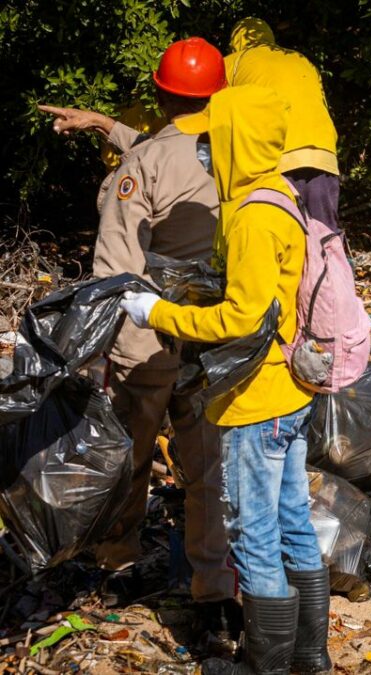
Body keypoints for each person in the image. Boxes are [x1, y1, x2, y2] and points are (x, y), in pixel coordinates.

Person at [120, 85, 330, 675]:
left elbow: (241, 317)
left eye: (214, 139)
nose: (206, 149)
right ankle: (311, 657)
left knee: (254, 531)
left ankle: (265, 666)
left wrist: (155, 313)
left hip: (255, 398)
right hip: (291, 389)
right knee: (292, 520)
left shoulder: (252, 218)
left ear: (238, 140)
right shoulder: (283, 197)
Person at [38, 37, 239, 641]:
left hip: (148, 337)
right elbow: (172, 157)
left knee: (130, 456)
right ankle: (214, 590)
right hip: (215, 334)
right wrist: (105, 125)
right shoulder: (239, 150)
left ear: (160, 92)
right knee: (208, 469)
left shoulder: (144, 167)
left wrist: (93, 342)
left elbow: (114, 266)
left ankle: (119, 561)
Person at [224, 17, 341, 232]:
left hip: (276, 159)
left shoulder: (233, 62)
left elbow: (220, 118)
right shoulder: (301, 59)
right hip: (323, 155)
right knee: (326, 237)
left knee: (279, 235)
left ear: (235, 43)